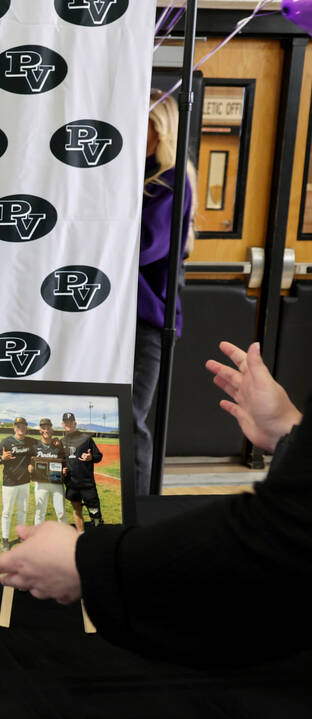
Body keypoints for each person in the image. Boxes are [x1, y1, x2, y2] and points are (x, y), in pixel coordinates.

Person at [0, 341, 309, 665]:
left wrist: (87, 562)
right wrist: (289, 431)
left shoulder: (80, 438)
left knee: (83, 516)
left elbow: (279, 535)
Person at [133, 88, 195, 495]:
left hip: (146, 322)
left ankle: (137, 514)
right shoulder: (135, 174)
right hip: (117, 318)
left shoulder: (171, 182)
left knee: (129, 420)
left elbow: (145, 246)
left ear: (159, 128)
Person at [0, 417, 36, 552]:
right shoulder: (6, 441)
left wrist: (31, 464)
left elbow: (35, 455)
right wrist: (2, 458)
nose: (21, 428)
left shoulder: (30, 442)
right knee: (7, 512)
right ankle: (5, 539)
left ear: (26, 427)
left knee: (23, 510)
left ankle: (21, 536)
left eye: (23, 426)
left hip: (24, 482)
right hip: (9, 482)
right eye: (18, 426)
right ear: (14, 427)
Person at [61, 411, 103, 529]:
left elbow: (98, 456)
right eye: (66, 422)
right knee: (77, 511)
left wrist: (91, 457)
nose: (68, 424)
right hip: (72, 484)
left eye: (71, 421)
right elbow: (61, 462)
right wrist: (62, 470)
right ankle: (80, 534)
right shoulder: (62, 442)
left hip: (87, 484)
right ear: (63, 424)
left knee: (95, 514)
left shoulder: (86, 439)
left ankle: (99, 536)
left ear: (75, 423)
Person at [30, 418, 66, 524]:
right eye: (43, 428)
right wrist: (30, 467)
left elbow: (64, 461)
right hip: (41, 483)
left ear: (52, 430)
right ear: (40, 430)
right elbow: (30, 461)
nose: (46, 430)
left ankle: (64, 536)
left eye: (48, 428)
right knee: (40, 512)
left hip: (56, 482)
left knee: (61, 512)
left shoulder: (58, 446)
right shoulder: (34, 446)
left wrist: (64, 469)